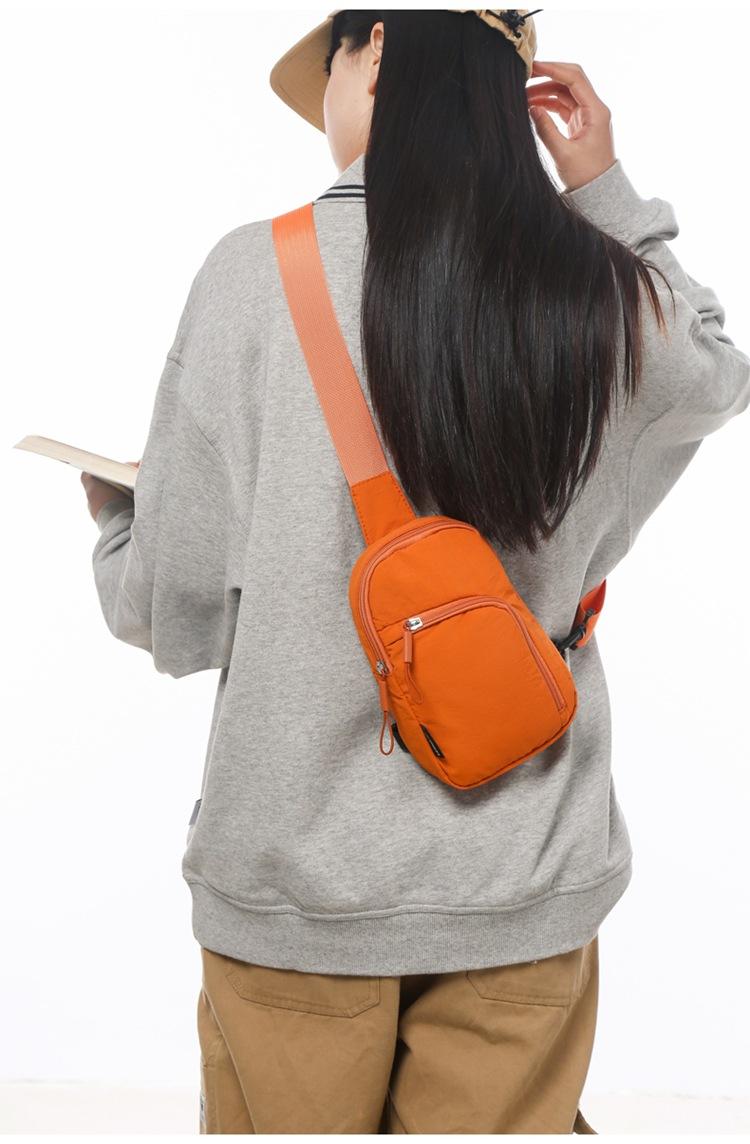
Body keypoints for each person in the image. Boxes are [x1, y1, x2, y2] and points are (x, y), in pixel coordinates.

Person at [80, 9, 750, 1135]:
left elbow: (168, 611)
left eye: (329, 67)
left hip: (294, 886)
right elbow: (718, 375)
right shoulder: (605, 293)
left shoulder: (252, 275)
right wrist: (605, 192)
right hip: (523, 875)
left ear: (378, 49)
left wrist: (116, 522)